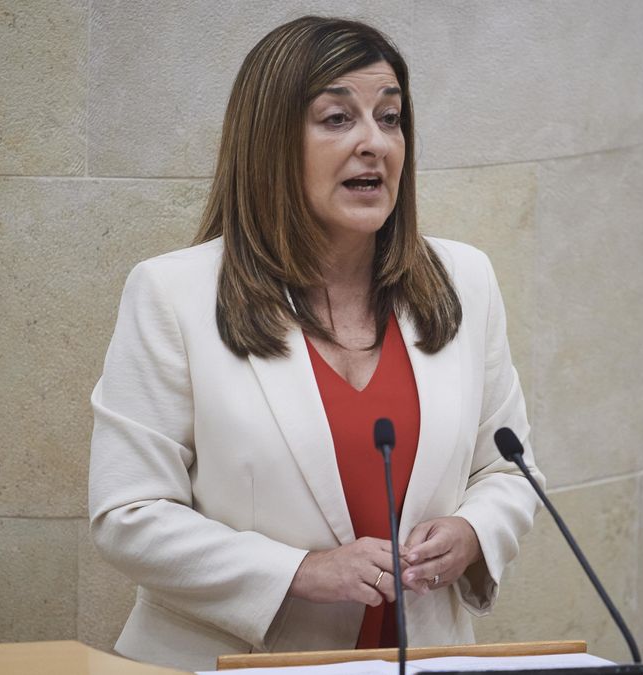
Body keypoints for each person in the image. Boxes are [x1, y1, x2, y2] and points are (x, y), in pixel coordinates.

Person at [88, 16, 543, 672]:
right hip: (232, 662)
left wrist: (474, 532)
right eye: (337, 118)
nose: (374, 143)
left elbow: (507, 470)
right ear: (271, 143)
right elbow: (127, 513)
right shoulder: (172, 295)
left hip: (418, 658)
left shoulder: (464, 279)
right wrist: (299, 571)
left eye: (390, 118)